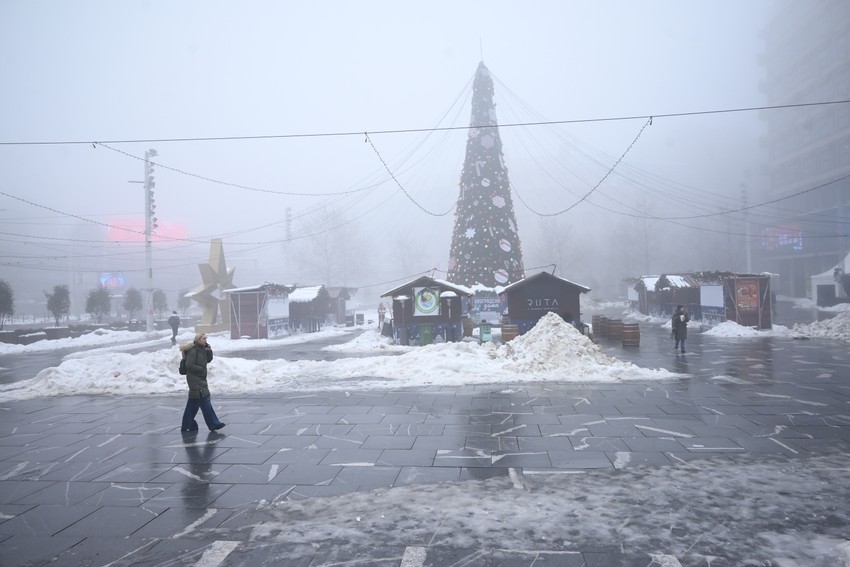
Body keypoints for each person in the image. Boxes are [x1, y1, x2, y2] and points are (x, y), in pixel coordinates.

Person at [180, 333, 226, 432]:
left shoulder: (201, 349)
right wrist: (201, 369)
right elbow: (189, 365)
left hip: (200, 378)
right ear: (198, 340)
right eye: (204, 339)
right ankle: (214, 424)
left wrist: (209, 350)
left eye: (206, 338)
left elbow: (208, 360)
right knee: (205, 399)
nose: (205, 340)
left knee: (193, 402)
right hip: (195, 379)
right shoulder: (193, 351)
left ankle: (188, 424)